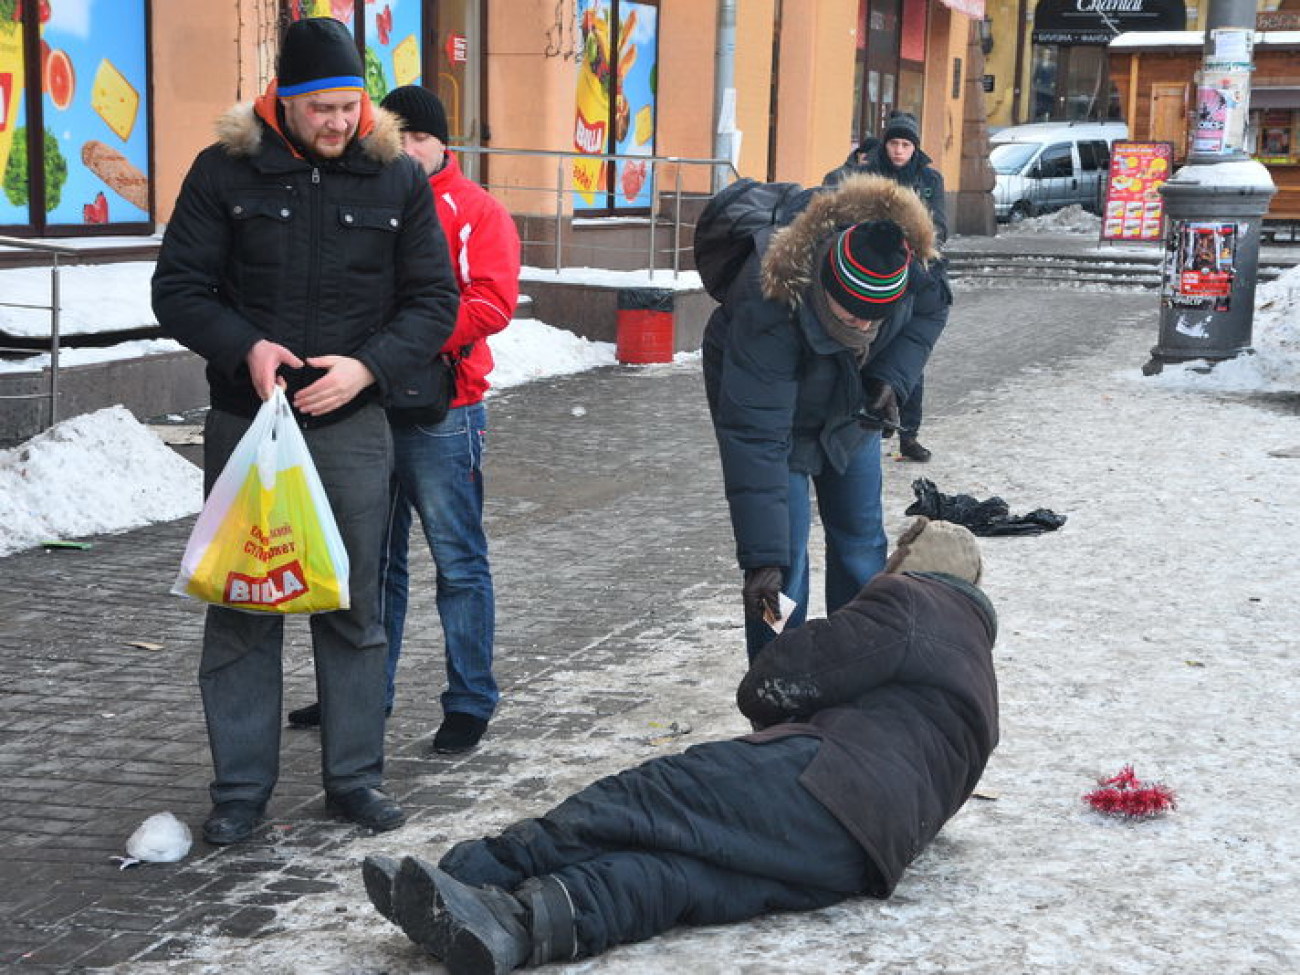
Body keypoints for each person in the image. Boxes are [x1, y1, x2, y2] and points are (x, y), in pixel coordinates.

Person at [360, 518, 998, 973]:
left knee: (642, 799)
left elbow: (773, 685)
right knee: (678, 882)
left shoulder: (914, 603)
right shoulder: (978, 683)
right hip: (861, 856)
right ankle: (516, 926)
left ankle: (474, 870)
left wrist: (794, 638)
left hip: (822, 779)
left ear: (913, 570)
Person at [151, 17, 460, 845]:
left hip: (352, 425)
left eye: (349, 106)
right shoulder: (224, 171)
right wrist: (244, 346)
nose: (337, 123)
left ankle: (354, 779)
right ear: (282, 102)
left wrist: (367, 369)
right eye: (320, 107)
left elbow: (436, 301)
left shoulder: (396, 179)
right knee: (244, 604)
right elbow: (178, 288)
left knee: (355, 605)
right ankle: (241, 791)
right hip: (247, 425)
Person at [287, 85, 521, 756]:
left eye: (421, 137)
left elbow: (493, 303)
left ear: (443, 141)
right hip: (366, 407)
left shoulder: (477, 210)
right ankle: (363, 693)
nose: (410, 149)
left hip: (443, 410)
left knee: (459, 561)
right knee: (369, 562)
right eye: (400, 136)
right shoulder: (366, 198)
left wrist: (398, 340)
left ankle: (470, 699)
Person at [702, 171, 950, 663]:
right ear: (825, 282)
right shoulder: (767, 301)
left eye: (874, 319)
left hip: (850, 409)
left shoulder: (909, 268)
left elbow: (931, 310)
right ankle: (778, 677)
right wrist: (761, 558)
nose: (863, 326)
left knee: (861, 545)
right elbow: (757, 438)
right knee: (782, 571)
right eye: (850, 314)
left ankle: (856, 663)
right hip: (776, 425)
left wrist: (890, 375)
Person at [826, 111, 949, 463]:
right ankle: (860, 421)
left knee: (911, 361)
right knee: (872, 348)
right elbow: (849, 215)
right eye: (894, 143)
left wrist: (915, 233)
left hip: (918, 276)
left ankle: (909, 435)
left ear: (915, 147)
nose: (898, 150)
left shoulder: (929, 180)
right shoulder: (866, 174)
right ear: (885, 143)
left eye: (905, 144)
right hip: (876, 274)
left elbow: (940, 224)